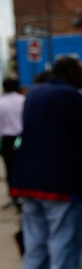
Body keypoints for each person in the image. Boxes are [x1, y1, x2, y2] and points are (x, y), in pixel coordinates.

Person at [12, 57, 82, 269]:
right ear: (71, 72)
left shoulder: (34, 93)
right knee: (62, 241)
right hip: (59, 181)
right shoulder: (69, 95)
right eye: (81, 73)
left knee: (35, 241)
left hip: (27, 180)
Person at [0, 77, 25, 207]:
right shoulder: (23, 101)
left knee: (10, 169)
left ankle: (15, 196)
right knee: (24, 166)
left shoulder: (1, 103)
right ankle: (25, 194)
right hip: (22, 139)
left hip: (8, 141)